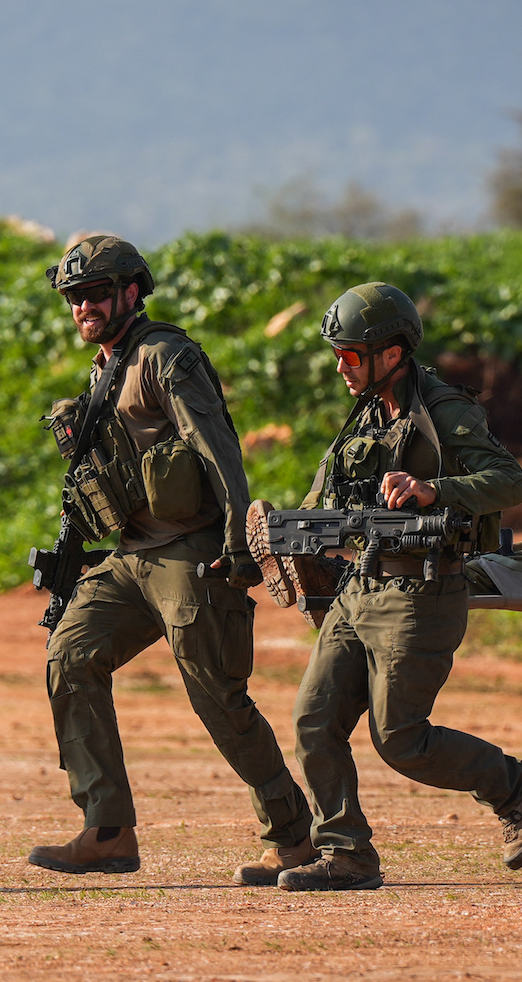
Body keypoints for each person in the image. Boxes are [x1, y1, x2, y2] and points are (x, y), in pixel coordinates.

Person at [30, 235, 314, 883]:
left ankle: (293, 835)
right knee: (70, 655)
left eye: (95, 294)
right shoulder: (104, 369)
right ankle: (107, 830)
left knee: (216, 695)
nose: (83, 308)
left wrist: (238, 544)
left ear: (132, 291)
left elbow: (217, 449)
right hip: (132, 557)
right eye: (74, 298)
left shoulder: (167, 356)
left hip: (190, 552)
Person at [278, 282, 522, 892]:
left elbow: (508, 482)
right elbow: (323, 500)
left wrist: (435, 490)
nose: (340, 366)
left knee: (400, 740)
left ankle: (514, 783)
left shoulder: (444, 411)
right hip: (357, 589)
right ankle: (346, 855)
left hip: (422, 592)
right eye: (337, 354)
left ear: (391, 354)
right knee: (313, 722)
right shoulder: (364, 414)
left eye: (350, 354)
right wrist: (270, 544)